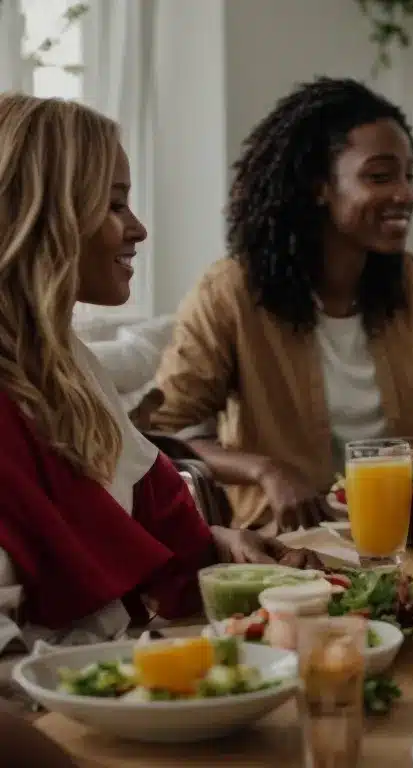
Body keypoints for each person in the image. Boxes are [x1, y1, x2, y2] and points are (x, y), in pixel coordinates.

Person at [0, 93, 315, 661]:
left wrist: (221, 546)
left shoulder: (65, 366)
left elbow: (141, 527)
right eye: (114, 204)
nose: (138, 228)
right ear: (44, 213)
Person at [152, 78, 413, 532]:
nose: (406, 193)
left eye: (408, 174)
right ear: (319, 186)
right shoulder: (231, 292)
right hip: (290, 545)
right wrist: (267, 470)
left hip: (412, 531)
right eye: (379, 176)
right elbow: (161, 435)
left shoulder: (411, 284)